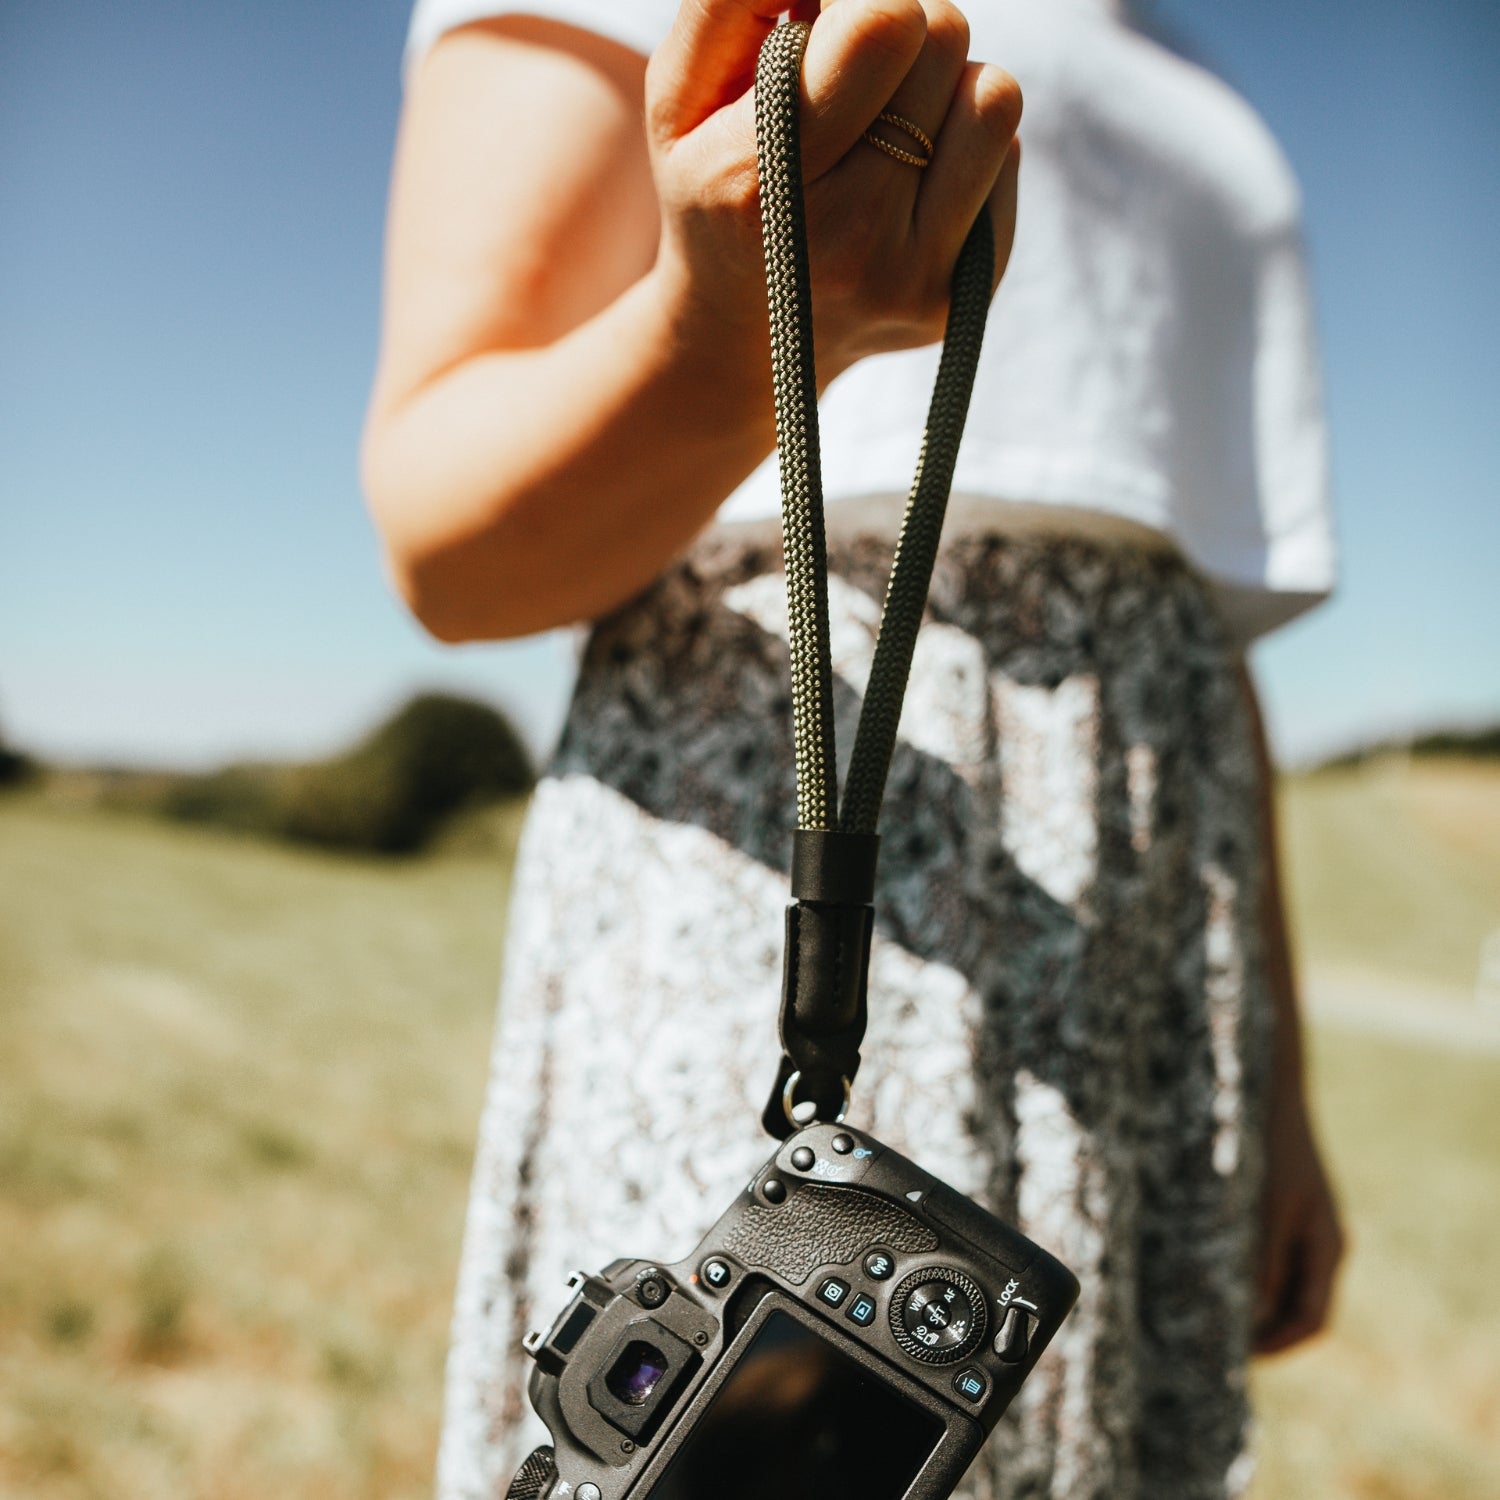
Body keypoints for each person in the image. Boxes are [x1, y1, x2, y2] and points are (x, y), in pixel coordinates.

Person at [361, 1, 1346, 1496]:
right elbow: (447, 544)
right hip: (775, 832)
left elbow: (1200, 624)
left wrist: (1272, 1073)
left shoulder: (1182, 39)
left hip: (1153, 912)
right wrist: (729, 336)